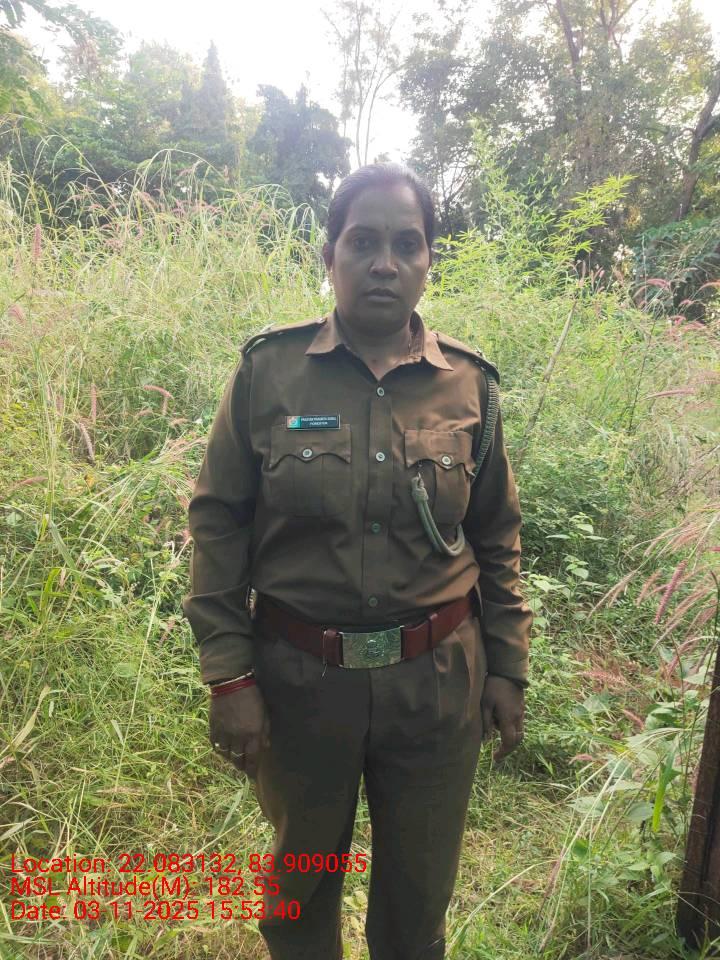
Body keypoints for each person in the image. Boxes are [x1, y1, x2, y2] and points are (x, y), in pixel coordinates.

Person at [181, 162, 533, 960]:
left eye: (407, 245)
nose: (385, 263)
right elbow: (218, 522)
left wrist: (509, 667)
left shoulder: (469, 386)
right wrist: (229, 676)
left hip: (436, 686)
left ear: (428, 260)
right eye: (363, 242)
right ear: (329, 255)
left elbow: (496, 534)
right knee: (299, 895)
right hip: (300, 685)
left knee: (416, 909)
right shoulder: (269, 373)